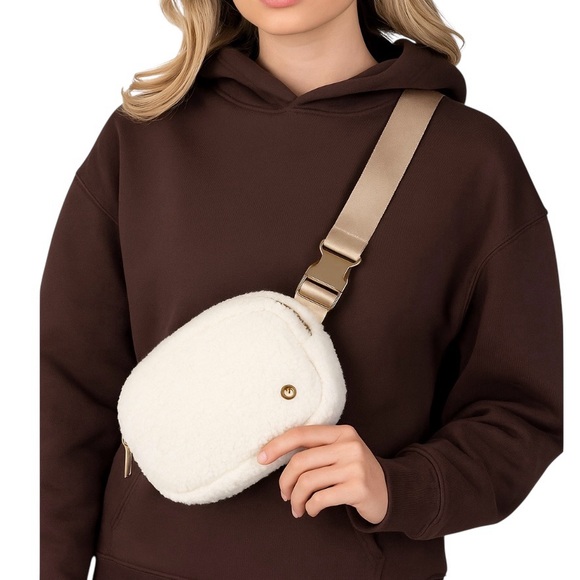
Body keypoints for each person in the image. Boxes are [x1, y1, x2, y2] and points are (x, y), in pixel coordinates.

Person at [39, 0, 564, 578]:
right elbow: (66, 395)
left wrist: (399, 486)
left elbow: (520, 411)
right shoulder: (141, 139)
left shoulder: (469, 160)